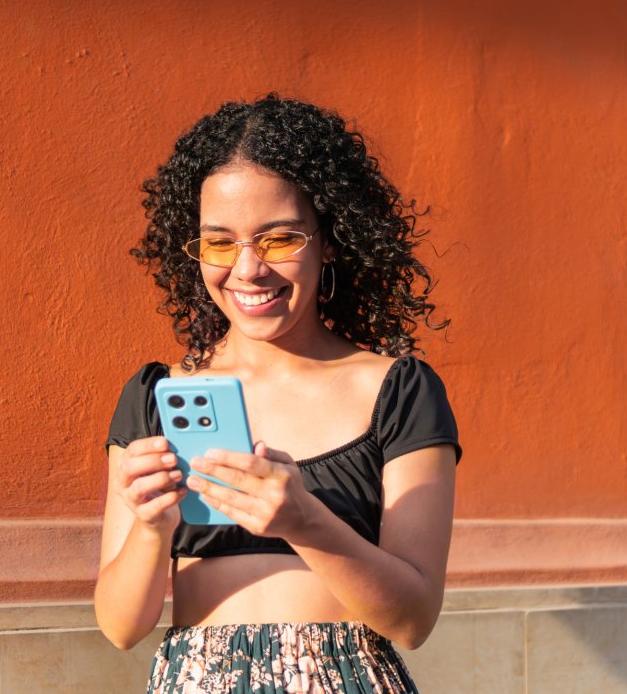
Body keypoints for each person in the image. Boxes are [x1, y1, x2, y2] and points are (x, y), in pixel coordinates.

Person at [95, 94, 462, 693]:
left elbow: (413, 620)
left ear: (331, 240)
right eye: (219, 243)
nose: (247, 269)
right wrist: (152, 527)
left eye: (279, 238)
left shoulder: (398, 391)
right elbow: (119, 626)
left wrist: (304, 521)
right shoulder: (156, 395)